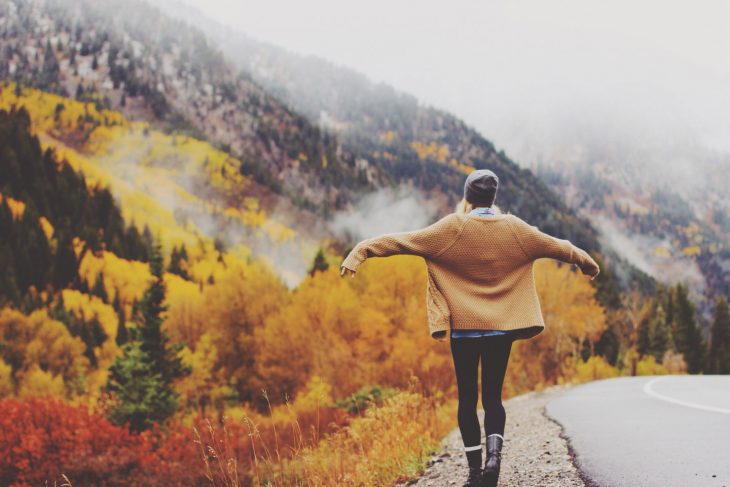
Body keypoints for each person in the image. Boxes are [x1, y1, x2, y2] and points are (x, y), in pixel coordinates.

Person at [340, 169, 600, 487]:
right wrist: (587, 263)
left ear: (467, 196)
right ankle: (494, 459)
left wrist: (359, 252)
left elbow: (402, 242)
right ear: (494, 196)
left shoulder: (452, 227)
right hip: (499, 331)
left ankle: (476, 473)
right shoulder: (514, 228)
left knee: (467, 399)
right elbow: (557, 246)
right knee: (492, 397)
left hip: (464, 331)